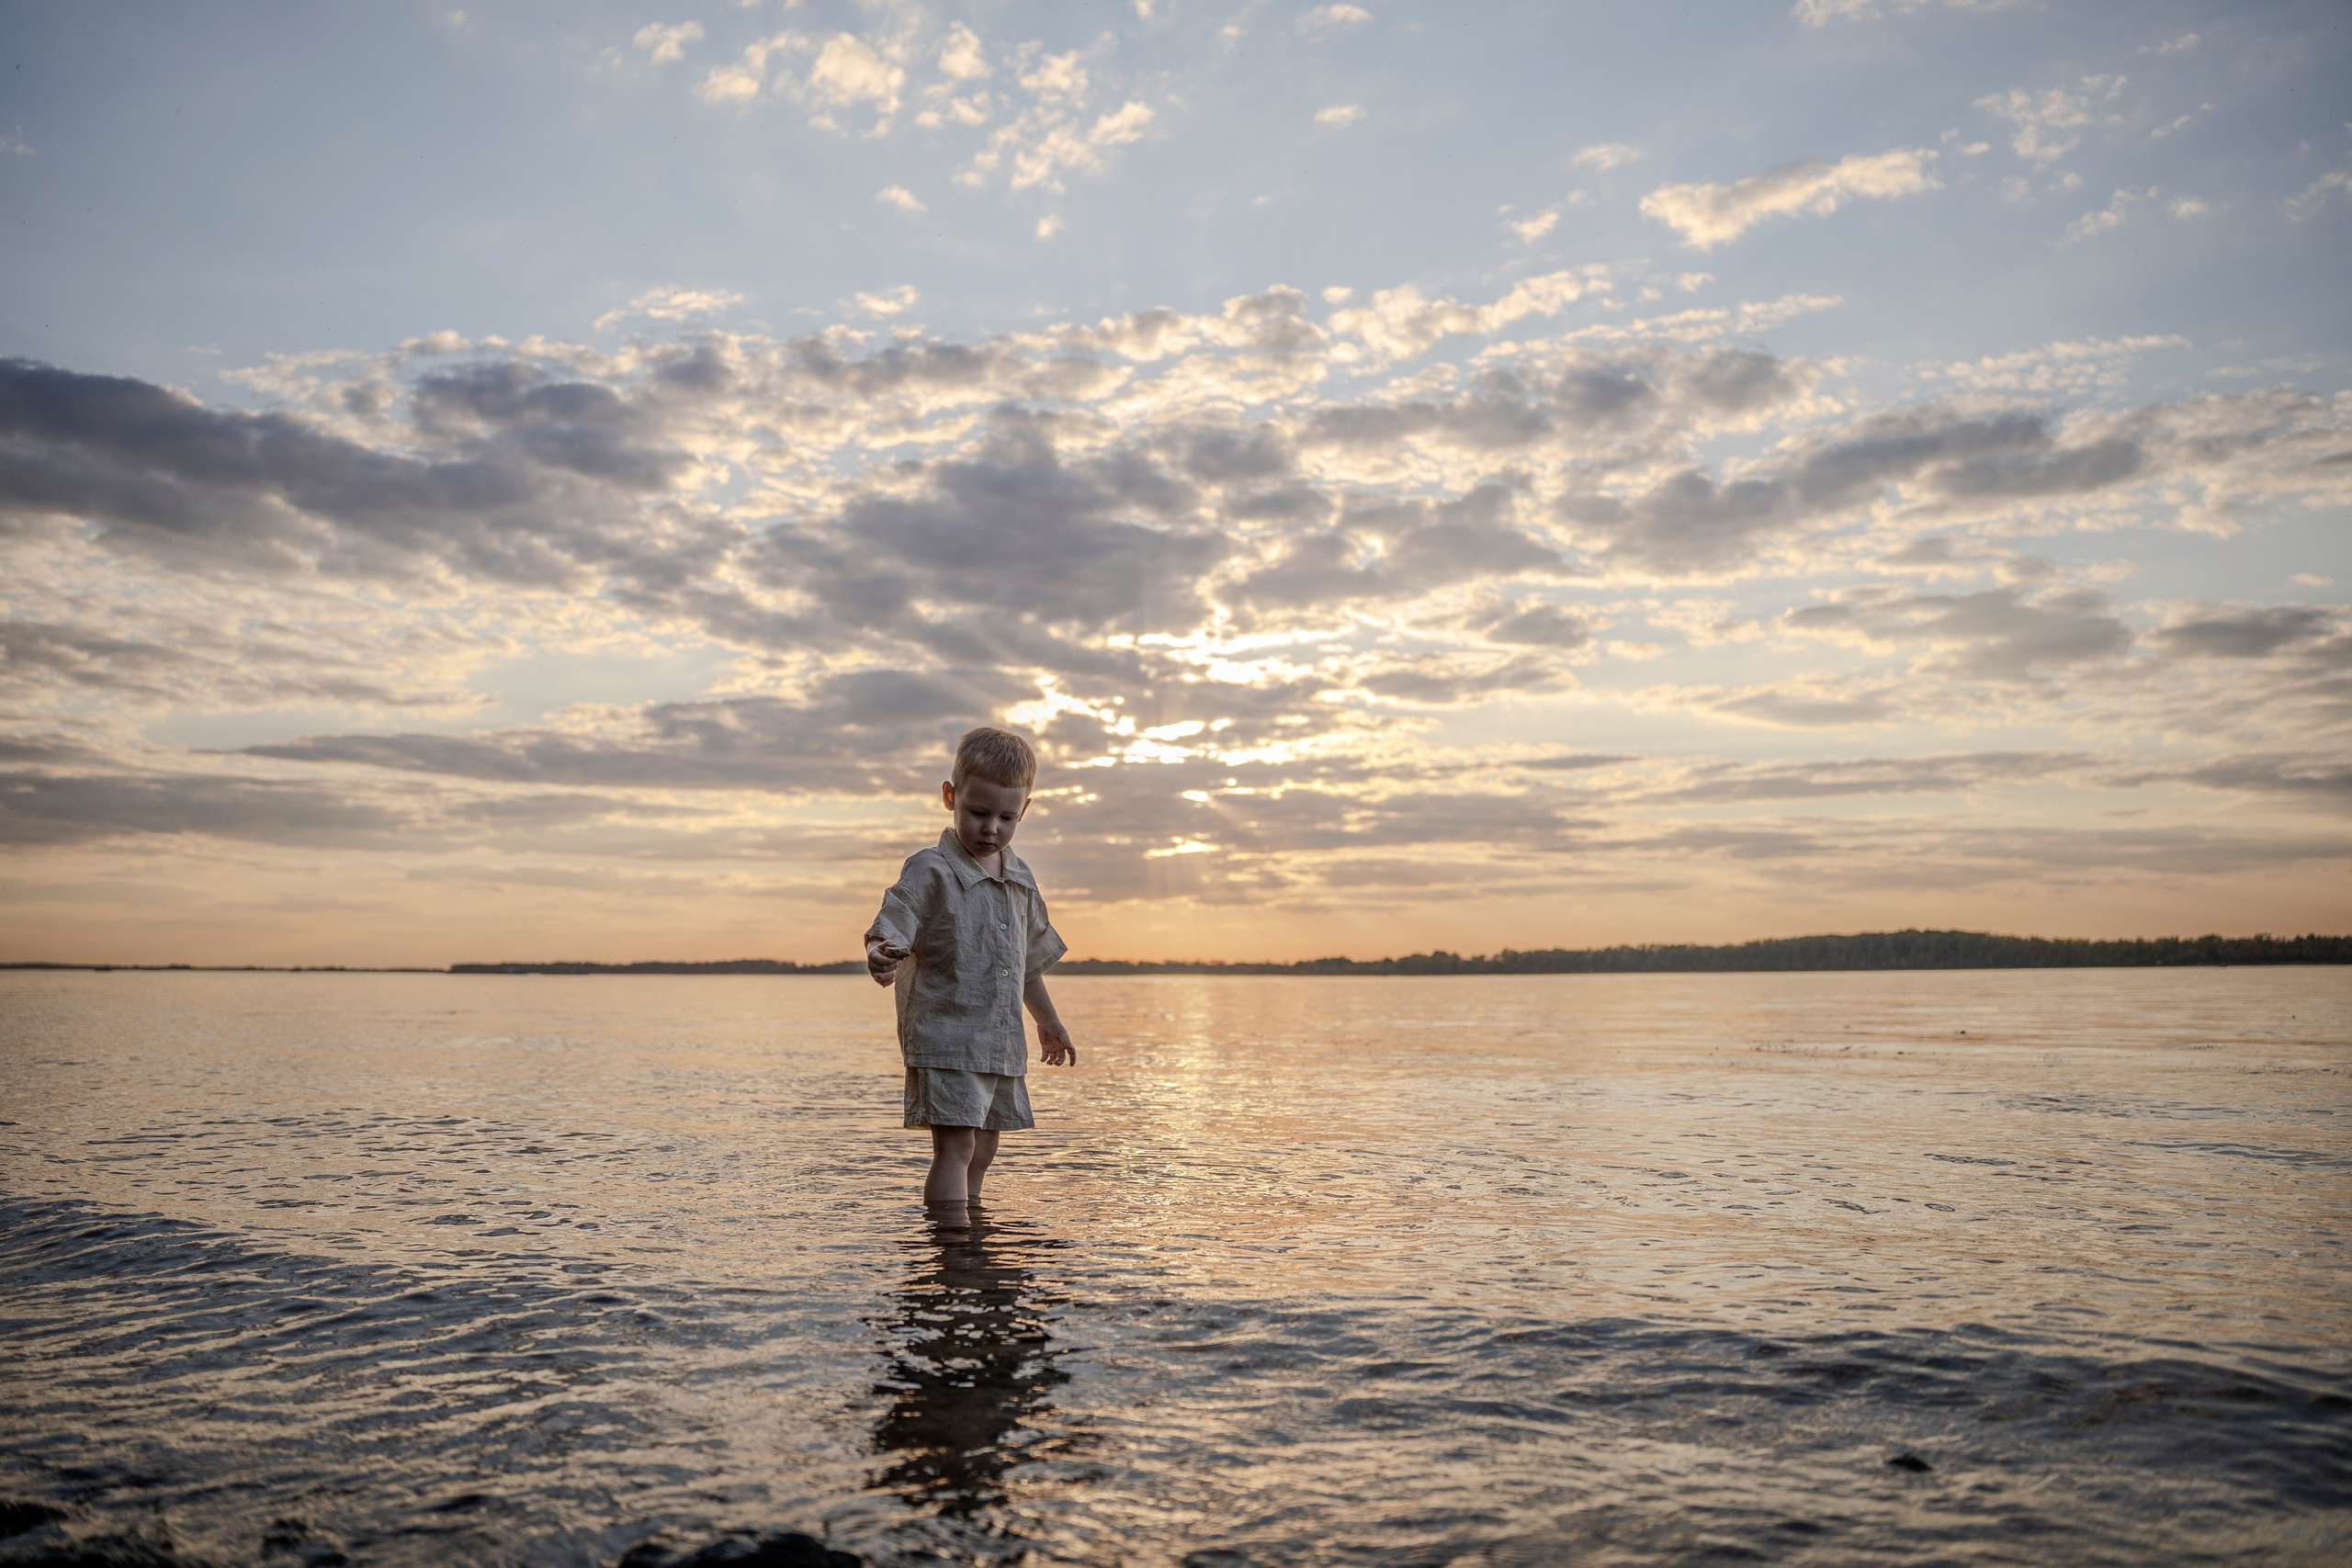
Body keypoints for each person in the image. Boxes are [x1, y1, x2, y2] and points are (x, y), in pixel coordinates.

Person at [865, 726, 1077, 1222]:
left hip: (999, 1042)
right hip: (947, 1033)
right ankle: (950, 1241)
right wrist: (881, 950)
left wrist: (1047, 1021)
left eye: (1007, 817)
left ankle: (971, 1223)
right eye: (978, 813)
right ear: (950, 797)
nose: (991, 829)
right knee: (956, 1148)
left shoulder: (1020, 880)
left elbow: (1025, 963)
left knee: (984, 1148)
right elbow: (894, 918)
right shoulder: (930, 870)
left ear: (1024, 811)